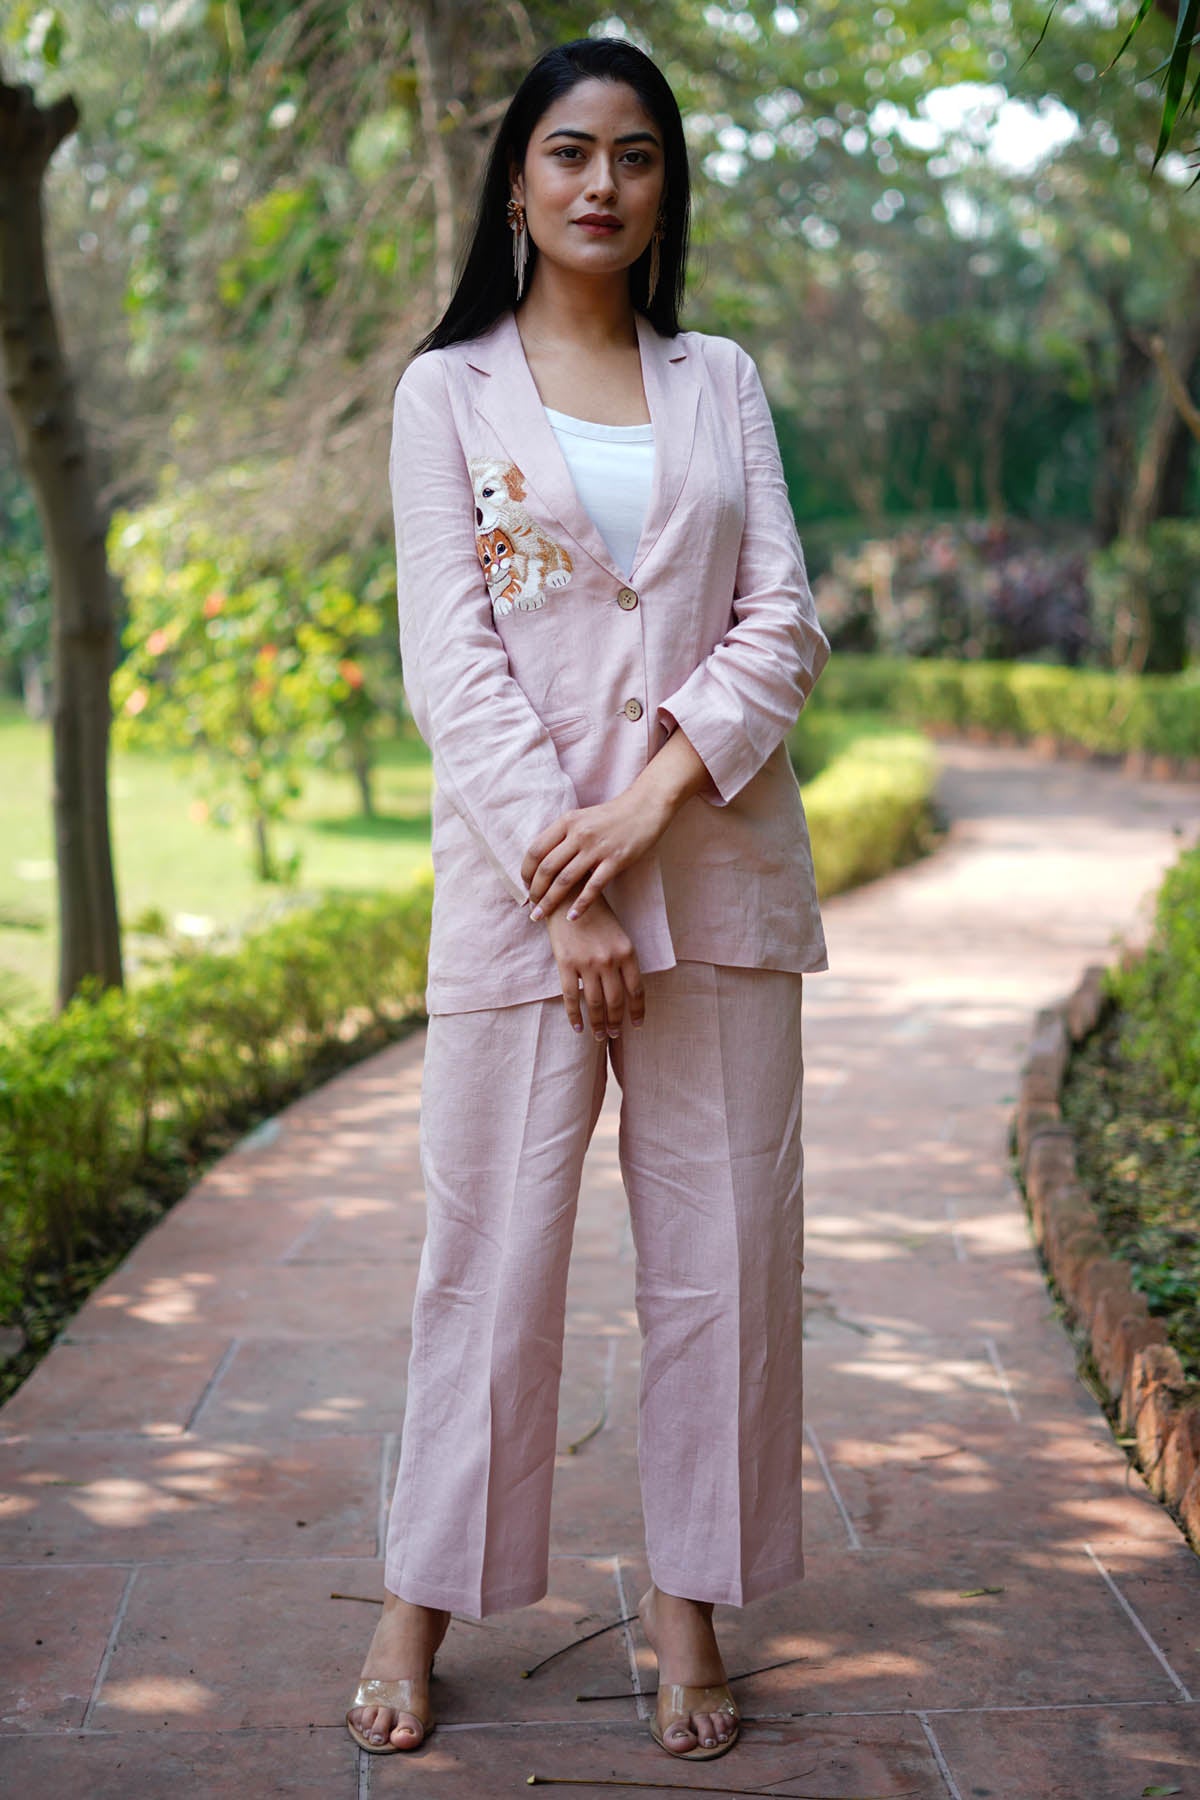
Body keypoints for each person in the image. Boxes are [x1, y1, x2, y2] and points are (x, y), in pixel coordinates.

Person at [345, 33, 830, 1767]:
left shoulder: (722, 382)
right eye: (568, 150)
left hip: (717, 879)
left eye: (634, 153)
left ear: (665, 187)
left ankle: (691, 1604)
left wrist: (644, 805)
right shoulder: (445, 395)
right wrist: (570, 882)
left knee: (724, 1262)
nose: (601, 182)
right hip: (520, 901)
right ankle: (420, 1599)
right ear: (516, 181)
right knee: (488, 1260)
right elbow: (451, 662)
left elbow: (783, 619)